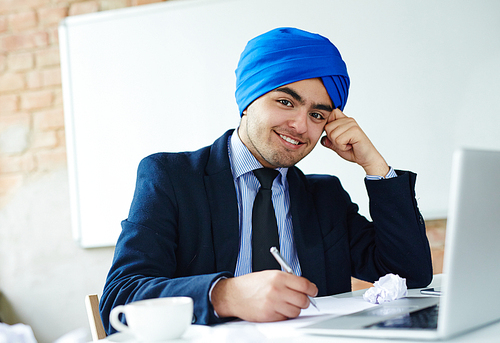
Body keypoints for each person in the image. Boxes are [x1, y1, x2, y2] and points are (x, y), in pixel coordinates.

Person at [99, 27, 432, 333]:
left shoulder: (324, 195)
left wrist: (375, 166)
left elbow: (410, 276)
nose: (301, 126)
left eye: (317, 114)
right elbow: (119, 299)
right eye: (285, 102)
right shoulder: (172, 178)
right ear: (248, 101)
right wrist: (224, 295)